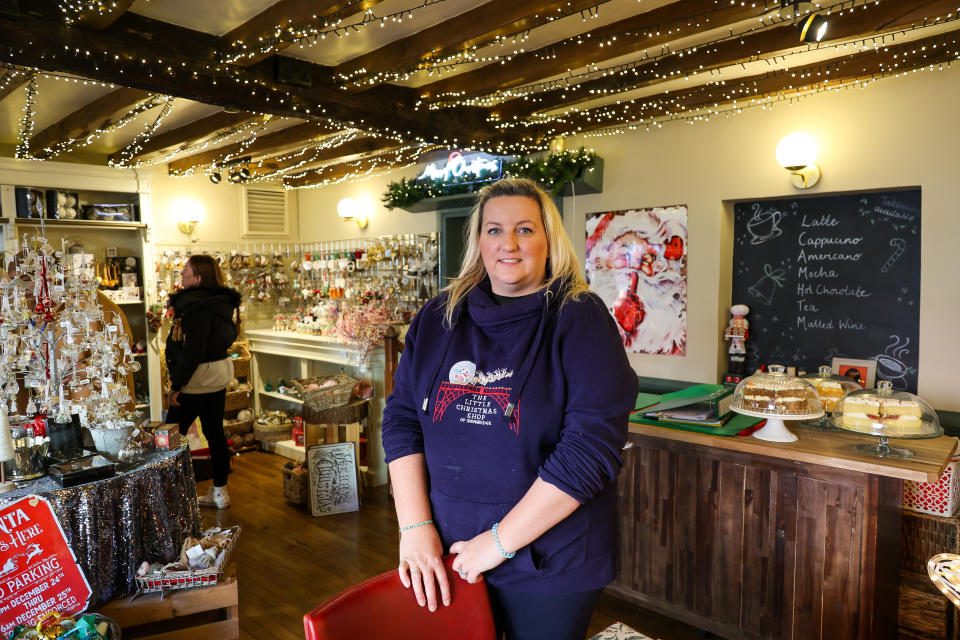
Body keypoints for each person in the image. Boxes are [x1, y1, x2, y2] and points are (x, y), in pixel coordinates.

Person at [381, 178, 639, 640]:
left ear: (548, 240)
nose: (509, 244)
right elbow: (402, 418)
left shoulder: (580, 317)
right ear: (478, 240)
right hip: (447, 551)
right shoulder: (439, 316)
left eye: (525, 229)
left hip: (551, 560)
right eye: (495, 230)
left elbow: (589, 451)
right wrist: (415, 528)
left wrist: (496, 544)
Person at [165, 255, 241, 509]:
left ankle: (169, 495)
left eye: (186, 270)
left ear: (197, 278)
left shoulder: (196, 307)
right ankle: (220, 492)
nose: (182, 273)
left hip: (195, 380)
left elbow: (194, 351)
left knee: (170, 436)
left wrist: (176, 385)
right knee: (215, 432)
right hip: (217, 377)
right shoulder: (220, 304)